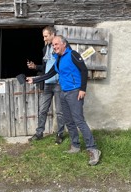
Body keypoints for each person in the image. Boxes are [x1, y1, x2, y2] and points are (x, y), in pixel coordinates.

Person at [26, 35, 101, 166]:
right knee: (69, 121)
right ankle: (75, 146)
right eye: (53, 45)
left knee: (79, 120)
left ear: (63, 44)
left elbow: (84, 70)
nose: (54, 47)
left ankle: (93, 149)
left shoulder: (72, 54)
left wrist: (83, 89)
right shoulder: (58, 59)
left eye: (56, 44)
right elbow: (50, 74)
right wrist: (34, 80)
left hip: (75, 92)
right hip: (63, 92)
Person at [26, 26, 65, 144]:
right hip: (47, 84)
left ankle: (60, 134)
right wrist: (35, 67)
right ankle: (39, 133)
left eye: (46, 36)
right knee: (42, 110)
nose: (44, 39)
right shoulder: (45, 49)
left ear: (53, 34)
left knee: (59, 111)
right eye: (43, 36)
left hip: (58, 83)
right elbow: (46, 67)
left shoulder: (59, 48)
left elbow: (58, 67)